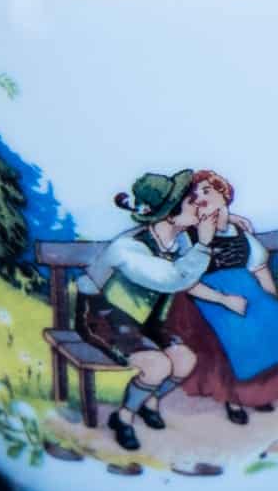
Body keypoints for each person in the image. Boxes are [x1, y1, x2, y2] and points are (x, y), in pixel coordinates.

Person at [77, 169, 222, 452]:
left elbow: (184, 277)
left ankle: (148, 401)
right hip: (106, 316)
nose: (199, 205)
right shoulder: (129, 248)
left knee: (185, 361)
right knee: (158, 365)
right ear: (170, 213)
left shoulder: (179, 241)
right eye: (192, 201)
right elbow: (171, 278)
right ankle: (124, 417)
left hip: (147, 319)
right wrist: (204, 246)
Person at [171, 170, 278, 424]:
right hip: (202, 296)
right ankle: (234, 397)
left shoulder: (239, 232)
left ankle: (259, 391)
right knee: (235, 329)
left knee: (275, 318)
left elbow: (260, 269)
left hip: (245, 289)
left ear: (224, 195)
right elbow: (186, 279)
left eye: (207, 192)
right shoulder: (188, 234)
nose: (200, 197)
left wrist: (272, 300)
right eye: (195, 194)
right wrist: (223, 299)